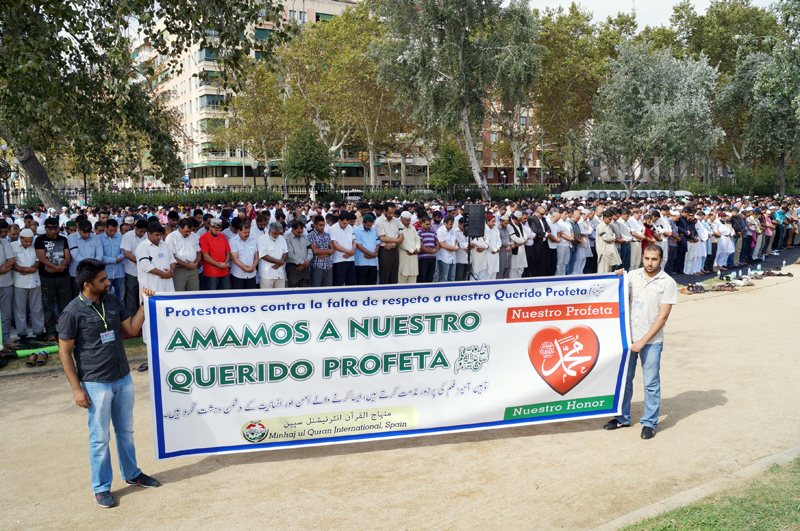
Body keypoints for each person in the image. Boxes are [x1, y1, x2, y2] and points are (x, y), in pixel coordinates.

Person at [58, 259, 160, 508]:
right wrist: (77, 388)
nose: (108, 282)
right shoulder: (72, 312)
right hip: (95, 383)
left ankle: (132, 474)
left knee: (126, 431)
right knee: (99, 438)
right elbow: (64, 352)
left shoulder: (112, 300)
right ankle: (101, 488)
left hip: (122, 377)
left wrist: (145, 304)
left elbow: (132, 329)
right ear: (87, 284)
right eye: (102, 280)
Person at [604, 244, 677, 440]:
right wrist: (616, 277)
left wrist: (643, 341)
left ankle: (649, 423)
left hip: (651, 341)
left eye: (654, 259)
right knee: (624, 380)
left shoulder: (668, 283)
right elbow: (616, 294)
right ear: (642, 258)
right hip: (628, 338)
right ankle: (622, 417)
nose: (650, 263)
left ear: (661, 260)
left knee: (651, 383)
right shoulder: (631, 276)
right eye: (647, 258)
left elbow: (662, 317)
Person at [35, 217, 72, 341]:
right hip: (47, 277)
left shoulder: (63, 239)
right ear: (45, 228)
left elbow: (68, 257)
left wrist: (59, 268)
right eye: (50, 229)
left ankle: (64, 331)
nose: (53, 231)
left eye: (55, 229)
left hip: (63, 276)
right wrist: (57, 268)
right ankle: (50, 332)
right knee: (48, 306)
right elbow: (42, 258)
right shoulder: (40, 240)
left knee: (65, 306)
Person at [12, 229, 46, 350]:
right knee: (20, 310)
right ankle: (22, 334)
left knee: (37, 308)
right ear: (20, 238)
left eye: (30, 241)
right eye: (26, 241)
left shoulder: (34, 246)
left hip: (34, 281)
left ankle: (39, 332)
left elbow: (38, 262)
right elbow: (12, 264)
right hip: (19, 282)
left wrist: (32, 268)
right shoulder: (13, 246)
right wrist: (26, 270)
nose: (28, 243)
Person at [135, 222, 176, 297]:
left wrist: (171, 271)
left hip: (168, 285)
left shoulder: (165, 245)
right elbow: (146, 266)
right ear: (149, 233)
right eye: (157, 235)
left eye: (161, 235)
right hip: (151, 287)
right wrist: (163, 274)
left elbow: (172, 261)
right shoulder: (142, 247)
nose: (159, 237)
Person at [68, 220, 104, 298]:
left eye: (89, 232)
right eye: (84, 232)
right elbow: (75, 255)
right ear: (78, 230)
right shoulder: (71, 238)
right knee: (77, 297)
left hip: (93, 273)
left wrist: (92, 267)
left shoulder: (96, 238)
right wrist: (90, 266)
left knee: (93, 296)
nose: (87, 235)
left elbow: (99, 255)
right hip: (76, 273)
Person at [165, 218, 201, 292]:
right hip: (179, 270)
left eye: (190, 231)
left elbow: (199, 252)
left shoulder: (194, 236)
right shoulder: (171, 237)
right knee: (179, 294)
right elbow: (171, 256)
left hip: (193, 270)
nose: (188, 234)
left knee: (194, 294)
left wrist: (195, 263)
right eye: (186, 231)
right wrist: (187, 265)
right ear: (180, 228)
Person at [120, 220, 147, 314]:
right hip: (132, 271)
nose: (142, 234)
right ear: (135, 228)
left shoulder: (148, 236)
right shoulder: (127, 236)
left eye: (144, 232)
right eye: (140, 231)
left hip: (146, 272)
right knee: (131, 296)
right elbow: (127, 253)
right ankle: (132, 318)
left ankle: (144, 316)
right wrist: (142, 263)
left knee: (144, 295)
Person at [375, 203, 403, 284]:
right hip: (384, 250)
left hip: (395, 249)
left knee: (394, 276)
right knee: (384, 275)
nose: (391, 215)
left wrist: (394, 244)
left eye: (393, 213)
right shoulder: (379, 221)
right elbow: (382, 238)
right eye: (390, 213)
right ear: (384, 211)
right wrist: (397, 241)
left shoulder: (396, 221)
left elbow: (401, 237)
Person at [199, 218, 231, 290]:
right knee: (212, 294)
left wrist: (225, 264)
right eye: (216, 230)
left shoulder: (222, 236)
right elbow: (206, 256)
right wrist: (218, 265)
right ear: (210, 227)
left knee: (225, 294)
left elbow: (228, 252)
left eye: (219, 230)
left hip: (224, 272)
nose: (218, 232)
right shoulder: (204, 237)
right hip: (211, 273)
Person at [99, 219, 126, 303]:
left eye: (115, 230)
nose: (113, 233)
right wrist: (115, 260)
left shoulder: (121, 237)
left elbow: (123, 253)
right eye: (111, 230)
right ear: (105, 228)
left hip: (120, 273)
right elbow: (100, 256)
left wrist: (110, 260)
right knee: (105, 299)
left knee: (121, 299)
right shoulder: (99, 238)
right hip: (106, 274)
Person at [229, 220, 259, 290]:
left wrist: (253, 267)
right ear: (239, 231)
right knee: (238, 295)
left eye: (248, 232)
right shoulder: (233, 241)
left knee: (251, 294)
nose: (247, 234)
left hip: (252, 274)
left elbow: (256, 257)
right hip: (238, 274)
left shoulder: (253, 240)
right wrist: (245, 268)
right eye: (245, 232)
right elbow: (235, 259)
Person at [328, 213, 357, 286]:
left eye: (347, 223)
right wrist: (349, 252)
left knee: (351, 283)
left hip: (350, 259)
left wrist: (351, 252)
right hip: (339, 260)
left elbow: (354, 242)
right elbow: (335, 245)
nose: (346, 225)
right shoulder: (332, 229)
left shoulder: (350, 227)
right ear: (339, 220)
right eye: (344, 223)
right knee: (338, 283)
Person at [258, 222, 288, 289]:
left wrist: (280, 263)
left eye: (278, 234)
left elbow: (285, 252)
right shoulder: (262, 239)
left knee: (281, 295)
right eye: (275, 233)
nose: (276, 236)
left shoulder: (282, 238)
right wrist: (277, 261)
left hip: (280, 274)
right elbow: (263, 255)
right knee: (267, 295)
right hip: (267, 274)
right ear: (270, 230)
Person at [308, 216, 334, 287]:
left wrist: (323, 254)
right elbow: (315, 251)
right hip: (317, 265)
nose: (322, 227)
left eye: (323, 225)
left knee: (328, 288)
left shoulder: (327, 235)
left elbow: (332, 249)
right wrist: (328, 252)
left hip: (328, 265)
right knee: (316, 287)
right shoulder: (311, 235)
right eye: (320, 225)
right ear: (315, 225)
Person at [353, 214, 380, 285]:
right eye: (368, 225)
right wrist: (371, 254)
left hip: (373, 263)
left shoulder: (374, 230)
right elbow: (359, 246)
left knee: (372, 284)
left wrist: (374, 253)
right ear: (363, 223)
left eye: (371, 225)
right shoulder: (357, 231)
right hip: (361, 262)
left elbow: (378, 243)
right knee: (361, 284)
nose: (369, 227)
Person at [285, 221, 312, 288]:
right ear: (293, 229)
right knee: (293, 289)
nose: (300, 234)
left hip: (305, 268)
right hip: (294, 268)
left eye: (301, 232)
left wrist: (306, 262)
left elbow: (310, 250)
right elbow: (290, 254)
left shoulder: (304, 237)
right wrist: (303, 263)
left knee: (305, 288)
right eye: (298, 232)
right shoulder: (287, 237)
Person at [0, 232, 15, 347]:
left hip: (6, 283)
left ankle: (5, 338)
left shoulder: (4, 242)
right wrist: (2, 269)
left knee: (6, 314)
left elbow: (11, 261)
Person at [398, 211, 421, 283]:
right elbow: (401, 243)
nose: (408, 222)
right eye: (407, 220)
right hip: (404, 256)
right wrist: (412, 250)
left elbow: (417, 240)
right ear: (402, 219)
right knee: (402, 278)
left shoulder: (412, 228)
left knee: (413, 278)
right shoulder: (398, 228)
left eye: (409, 220)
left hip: (414, 257)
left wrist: (417, 249)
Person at [416, 216, 438, 283]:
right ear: (422, 223)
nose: (429, 226)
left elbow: (438, 243)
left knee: (430, 278)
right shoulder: (419, 233)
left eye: (429, 224)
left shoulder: (433, 232)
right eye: (427, 224)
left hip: (432, 258)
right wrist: (432, 251)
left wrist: (435, 249)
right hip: (423, 259)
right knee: (422, 278)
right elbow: (421, 247)